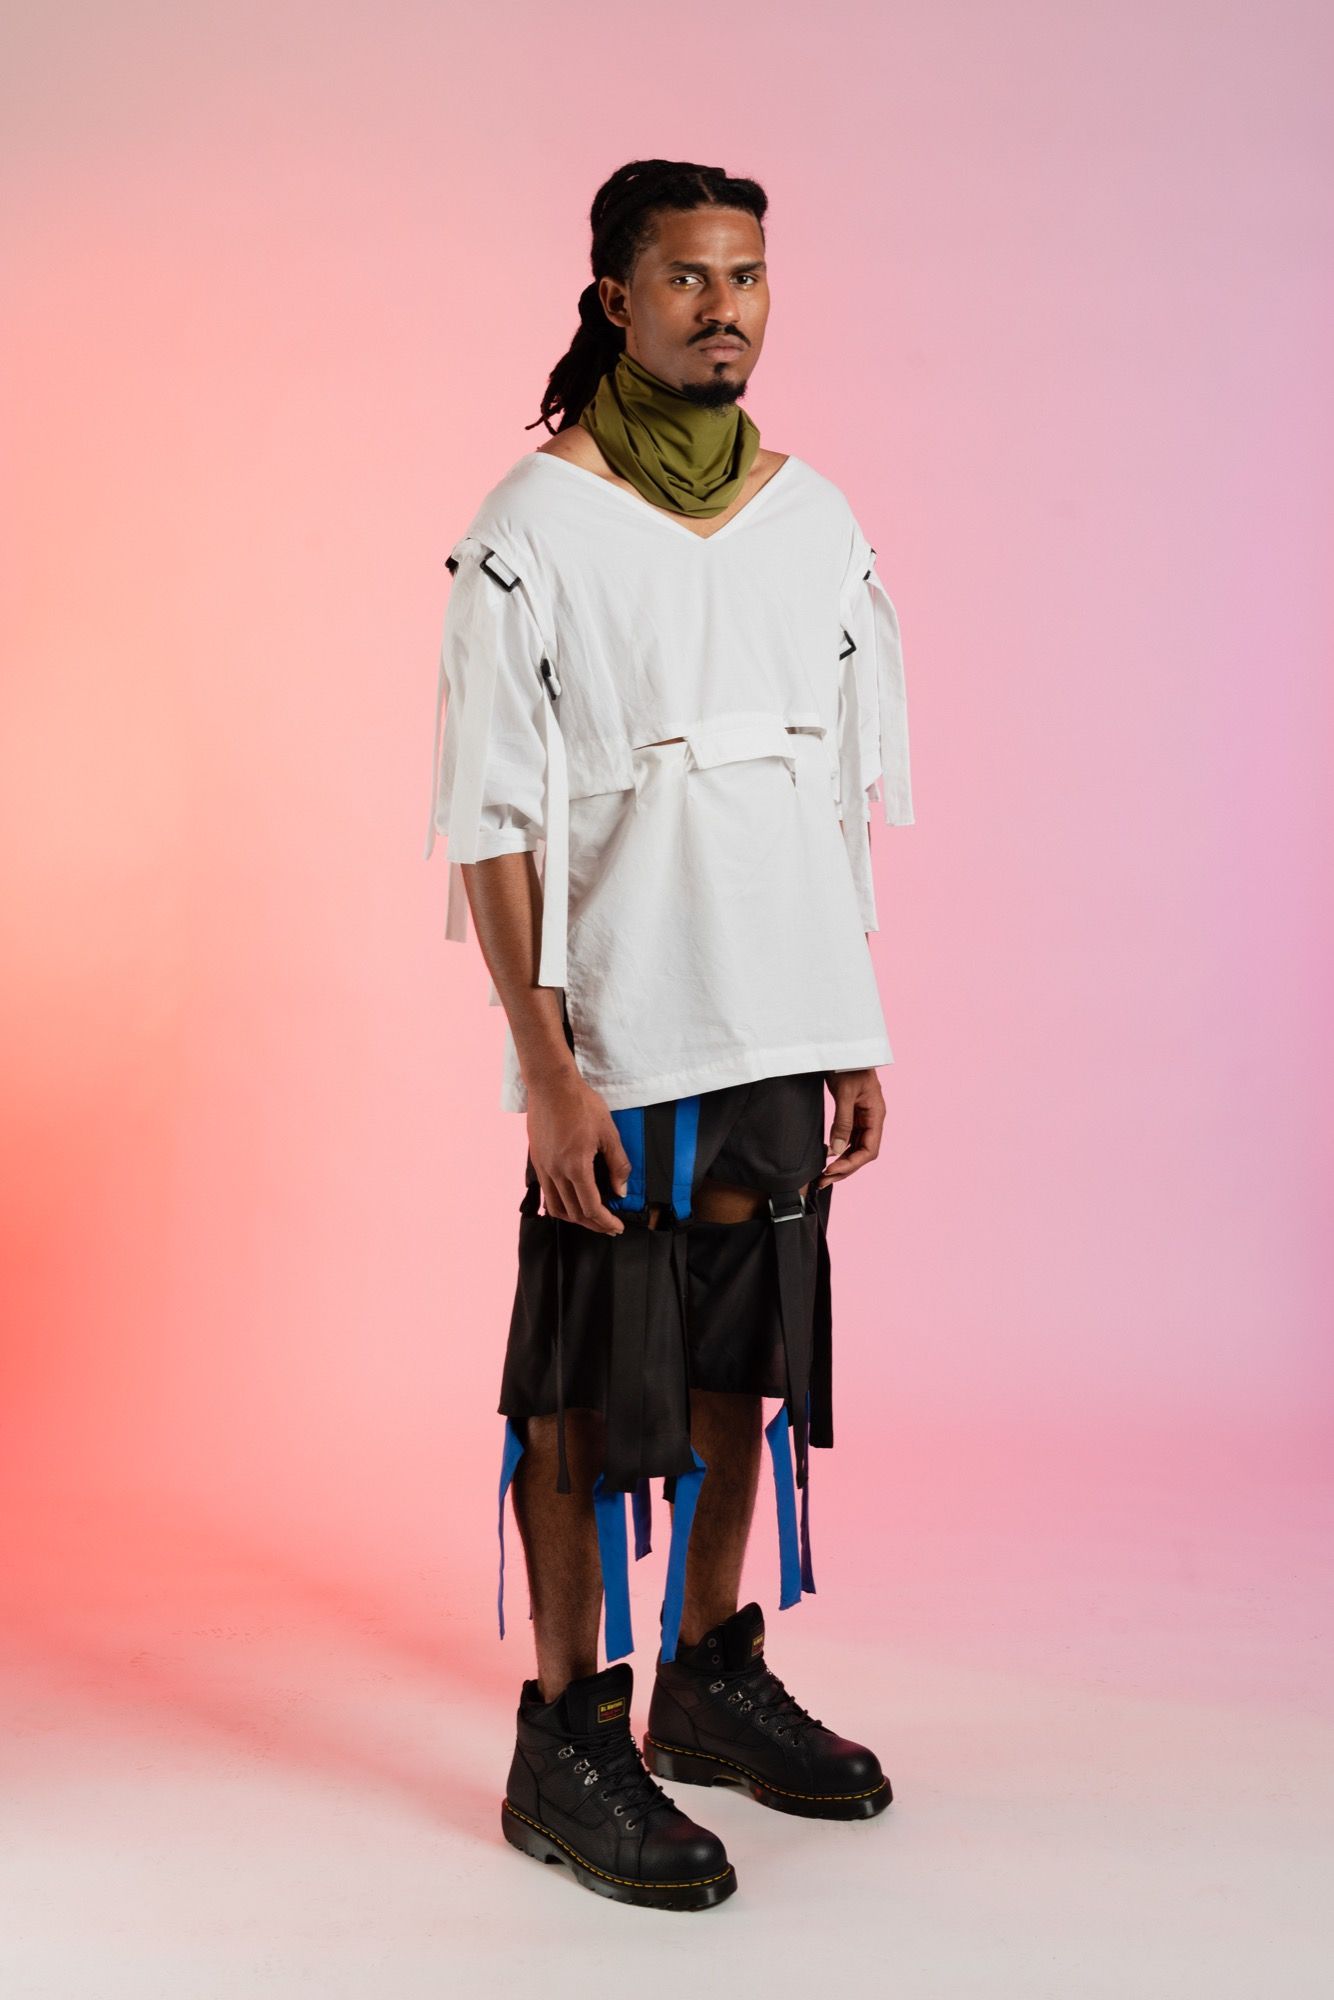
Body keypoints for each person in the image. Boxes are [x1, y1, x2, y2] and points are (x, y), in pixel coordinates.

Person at [425, 157, 914, 1912]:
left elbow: (826, 792)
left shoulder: (813, 519)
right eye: (690, 277)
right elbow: (489, 821)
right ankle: (568, 1729)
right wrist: (549, 1067)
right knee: (587, 1369)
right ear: (614, 300)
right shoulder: (533, 529)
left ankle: (706, 1672)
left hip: (778, 1009)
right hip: (624, 1032)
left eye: (748, 276)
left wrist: (848, 1022)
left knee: (739, 1353)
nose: (725, 308)